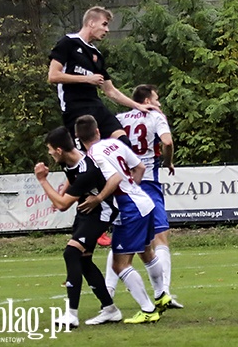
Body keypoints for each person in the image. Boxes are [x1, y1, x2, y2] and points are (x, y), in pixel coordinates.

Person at [74, 115, 169, 324]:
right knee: (146, 252)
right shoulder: (114, 144)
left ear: (78, 139)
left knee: (120, 264)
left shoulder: (92, 156)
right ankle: (162, 294)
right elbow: (140, 168)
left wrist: (99, 198)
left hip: (129, 208)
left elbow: (115, 178)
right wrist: (133, 187)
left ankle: (148, 309)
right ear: (98, 131)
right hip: (143, 200)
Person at [34, 126, 121, 328]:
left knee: (71, 253)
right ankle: (109, 309)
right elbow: (69, 181)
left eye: (49, 149)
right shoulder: (70, 159)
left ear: (58, 150)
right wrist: (65, 189)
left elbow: (63, 205)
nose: (48, 153)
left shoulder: (87, 170)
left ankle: (71, 315)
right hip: (85, 212)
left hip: (101, 213)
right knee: (83, 261)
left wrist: (42, 180)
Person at [109, 84, 183, 308]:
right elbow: (167, 141)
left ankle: (108, 295)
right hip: (148, 180)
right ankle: (164, 293)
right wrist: (168, 161)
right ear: (148, 100)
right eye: (157, 99)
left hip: (124, 184)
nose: (159, 104)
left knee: (121, 240)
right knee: (160, 237)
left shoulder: (119, 118)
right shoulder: (155, 116)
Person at [47, 6, 157, 146]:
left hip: (96, 106)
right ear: (91, 23)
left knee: (123, 143)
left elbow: (110, 91)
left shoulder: (96, 55)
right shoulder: (68, 42)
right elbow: (53, 76)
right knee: (88, 157)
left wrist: (137, 105)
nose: (107, 30)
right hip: (75, 109)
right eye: (104, 24)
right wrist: (87, 79)